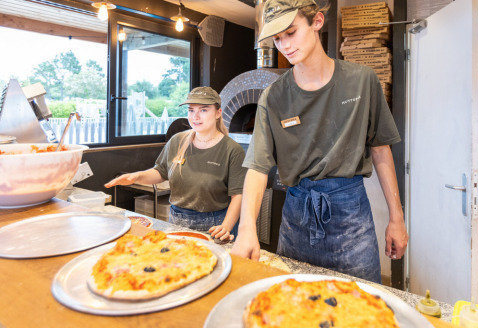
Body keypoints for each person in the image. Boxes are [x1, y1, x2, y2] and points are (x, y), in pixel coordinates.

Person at [231, 0, 408, 283]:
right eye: (277, 38)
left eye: (291, 32)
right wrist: (247, 228)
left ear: (317, 22)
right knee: (293, 306)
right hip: (295, 217)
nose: (284, 45)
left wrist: (397, 218)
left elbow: (381, 150)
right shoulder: (273, 97)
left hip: (352, 217)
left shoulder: (363, 81)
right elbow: (257, 167)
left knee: (359, 308)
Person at [105, 87, 247, 241]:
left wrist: (225, 226)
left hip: (216, 225)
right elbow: (161, 172)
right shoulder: (177, 141)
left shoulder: (232, 150)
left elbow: (238, 195)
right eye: (191, 110)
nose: (195, 116)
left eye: (203, 110)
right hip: (176, 220)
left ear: (218, 113)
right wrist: (136, 176)